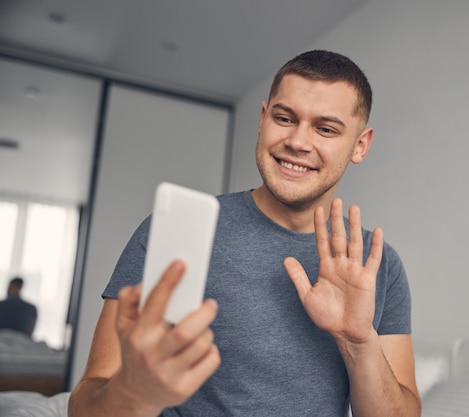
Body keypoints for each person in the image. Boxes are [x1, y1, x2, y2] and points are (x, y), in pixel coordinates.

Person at [69, 50, 420, 417]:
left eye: (325, 128)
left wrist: (357, 341)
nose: (298, 142)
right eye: (285, 118)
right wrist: (134, 390)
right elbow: (84, 406)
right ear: (263, 118)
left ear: (360, 145)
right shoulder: (173, 232)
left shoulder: (379, 267)